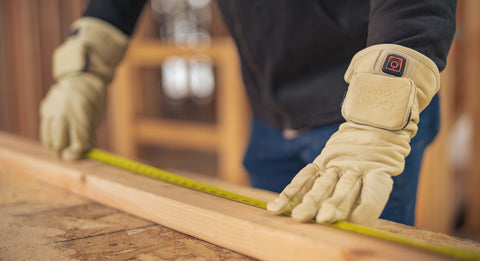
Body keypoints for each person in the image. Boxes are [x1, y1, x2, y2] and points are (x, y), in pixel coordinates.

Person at [40, 0, 457, 227]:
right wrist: (85, 65)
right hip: (269, 115)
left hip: (363, 125)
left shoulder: (370, 125)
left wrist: (376, 115)